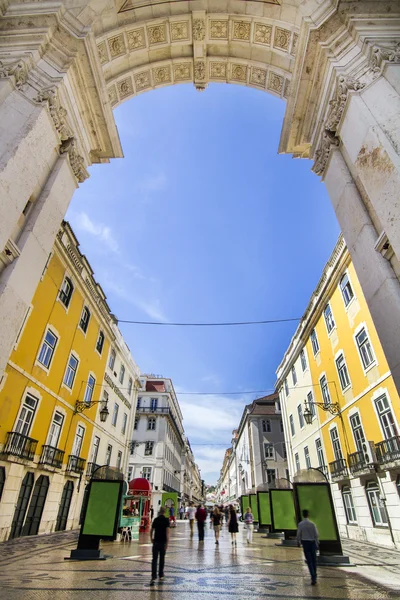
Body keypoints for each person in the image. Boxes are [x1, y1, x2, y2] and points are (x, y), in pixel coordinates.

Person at [297, 509, 319, 585]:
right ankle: (314, 576)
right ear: (308, 515)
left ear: (303, 515)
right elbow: (316, 535)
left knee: (309, 561)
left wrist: (298, 542)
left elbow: (298, 534)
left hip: (305, 543)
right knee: (314, 560)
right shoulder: (312, 524)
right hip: (312, 543)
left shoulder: (300, 524)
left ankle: (313, 576)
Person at [150, 507, 170, 587]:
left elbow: (151, 530)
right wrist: (167, 543)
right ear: (164, 512)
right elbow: (168, 532)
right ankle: (161, 574)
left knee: (154, 559)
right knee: (162, 558)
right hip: (163, 542)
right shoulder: (166, 520)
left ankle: (153, 576)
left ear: (159, 512)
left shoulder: (156, 519)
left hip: (156, 542)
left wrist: (151, 538)